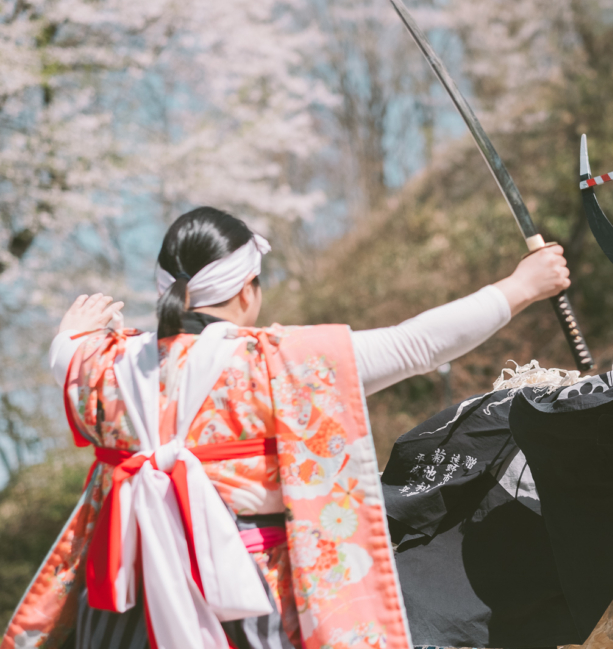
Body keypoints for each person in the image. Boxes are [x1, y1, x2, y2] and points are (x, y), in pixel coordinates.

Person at [2, 206, 571, 649]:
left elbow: (66, 356)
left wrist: (71, 333)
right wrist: (523, 286)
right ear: (247, 289)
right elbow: (415, 344)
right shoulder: (276, 363)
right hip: (248, 600)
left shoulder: (103, 368)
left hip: (129, 598)